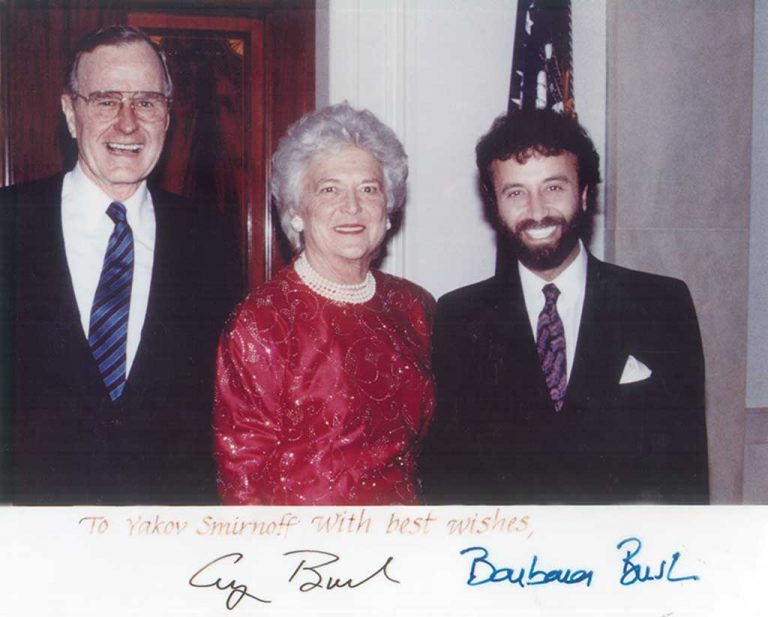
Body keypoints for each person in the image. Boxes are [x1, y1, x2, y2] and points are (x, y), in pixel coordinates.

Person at [0, 25, 240, 504]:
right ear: (71, 113)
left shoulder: (210, 239)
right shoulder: (8, 224)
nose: (127, 124)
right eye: (106, 101)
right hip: (27, 532)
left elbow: (226, 409)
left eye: (146, 102)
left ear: (167, 116)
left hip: (166, 534)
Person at [421, 109, 709, 504]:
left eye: (553, 187)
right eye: (516, 193)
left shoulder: (660, 305)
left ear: (585, 193)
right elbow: (449, 486)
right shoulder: (458, 317)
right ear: (494, 204)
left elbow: (686, 480)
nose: (537, 211)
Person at [214, 102, 435, 505]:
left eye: (368, 189)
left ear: (388, 210)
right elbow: (243, 482)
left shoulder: (413, 306)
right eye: (329, 189)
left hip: (408, 534)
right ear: (296, 210)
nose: (352, 206)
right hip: (308, 542)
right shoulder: (262, 321)